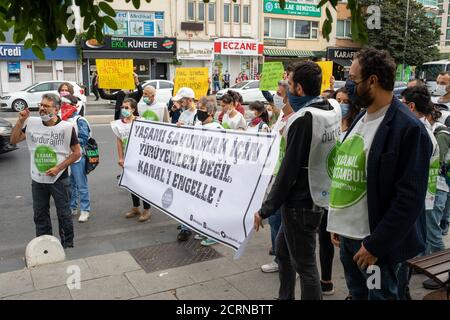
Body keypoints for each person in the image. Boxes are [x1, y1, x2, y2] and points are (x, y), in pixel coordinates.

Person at [327, 48, 432, 300]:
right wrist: (338, 220)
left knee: (380, 296)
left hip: (375, 247)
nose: (349, 85)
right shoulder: (362, 116)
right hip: (349, 238)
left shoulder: (408, 129)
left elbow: (409, 198)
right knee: (358, 294)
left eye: (353, 79)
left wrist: (376, 245)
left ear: (372, 81)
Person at [254, 61, 341, 300]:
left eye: (289, 84)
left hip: (301, 204)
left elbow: (288, 171)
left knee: (305, 267)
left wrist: (265, 209)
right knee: (283, 252)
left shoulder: (303, 119)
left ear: (299, 89)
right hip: (317, 194)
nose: (286, 89)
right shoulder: (331, 106)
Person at [10, 93, 82, 248]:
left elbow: (77, 153)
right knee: (40, 214)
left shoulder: (66, 128)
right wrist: (20, 121)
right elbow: (14, 140)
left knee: (64, 215)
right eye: (41, 105)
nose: (41, 108)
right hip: (38, 179)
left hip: (59, 179)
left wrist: (58, 168)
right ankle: (45, 245)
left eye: (46, 106)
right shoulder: (32, 123)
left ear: (56, 109)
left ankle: (67, 245)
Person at [399, 86, 440, 296]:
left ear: (411, 106)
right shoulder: (422, 129)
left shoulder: (418, 133)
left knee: (403, 257)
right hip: (420, 201)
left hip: (413, 205)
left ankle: (402, 290)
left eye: (401, 103)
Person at [260, 80, 294, 274]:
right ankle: (279, 257)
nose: (276, 97)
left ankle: (287, 262)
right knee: (275, 221)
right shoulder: (281, 115)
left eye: (279, 94)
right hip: (274, 174)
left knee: (282, 223)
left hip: (285, 180)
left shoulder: (297, 118)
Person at [111, 98, 151, 222]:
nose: (124, 110)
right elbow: (119, 141)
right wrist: (121, 158)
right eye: (123, 107)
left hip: (141, 158)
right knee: (132, 184)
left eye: (127, 107)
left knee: (143, 185)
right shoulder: (118, 124)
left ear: (133, 109)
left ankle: (147, 210)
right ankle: (136, 208)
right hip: (128, 159)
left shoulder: (141, 121)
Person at [192, 97, 223, 246]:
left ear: (210, 112)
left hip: (211, 172)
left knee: (211, 205)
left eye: (202, 109)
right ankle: (204, 229)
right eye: (198, 108)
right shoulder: (198, 125)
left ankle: (214, 234)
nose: (199, 111)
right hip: (198, 169)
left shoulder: (217, 129)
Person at [60, 94, 92, 223]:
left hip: (78, 157)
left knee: (81, 184)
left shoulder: (80, 120)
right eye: (61, 104)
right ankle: (72, 207)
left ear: (73, 106)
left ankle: (85, 210)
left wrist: (69, 141)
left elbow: (84, 139)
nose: (62, 107)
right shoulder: (62, 120)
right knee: (71, 185)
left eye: (64, 104)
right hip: (66, 157)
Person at [172, 87, 198, 241]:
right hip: (183, 158)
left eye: (182, 101)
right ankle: (184, 222)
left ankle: (187, 226)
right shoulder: (183, 113)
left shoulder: (198, 115)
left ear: (189, 99)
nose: (180, 103)